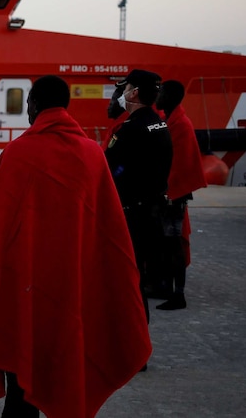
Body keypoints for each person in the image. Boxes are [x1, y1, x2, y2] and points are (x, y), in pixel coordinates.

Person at [0, 75, 150, 418]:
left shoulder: (17, 154)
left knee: (19, 394)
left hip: (20, 294)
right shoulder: (90, 155)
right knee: (67, 368)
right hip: (72, 293)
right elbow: (109, 235)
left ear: (34, 105)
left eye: (27, 105)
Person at [105, 69, 173, 325]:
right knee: (139, 276)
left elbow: (113, 169)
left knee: (128, 279)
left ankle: (133, 340)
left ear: (134, 93)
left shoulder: (130, 129)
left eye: (125, 88)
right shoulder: (159, 123)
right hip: (153, 209)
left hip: (132, 213)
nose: (121, 93)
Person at [154, 80, 208, 310]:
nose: (158, 96)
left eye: (162, 92)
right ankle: (171, 290)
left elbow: (178, 165)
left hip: (173, 196)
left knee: (174, 243)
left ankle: (179, 295)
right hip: (171, 194)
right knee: (169, 243)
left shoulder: (179, 125)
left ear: (172, 96)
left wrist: (166, 192)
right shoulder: (173, 121)